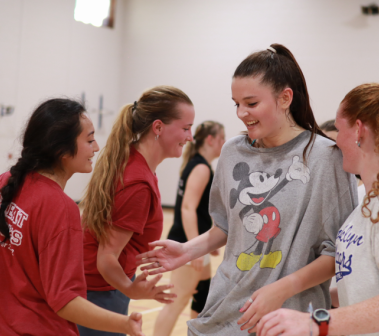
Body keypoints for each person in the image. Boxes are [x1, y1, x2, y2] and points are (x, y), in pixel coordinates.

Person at [137, 44, 358, 336]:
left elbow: (336, 254)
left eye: (251, 104)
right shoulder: (232, 153)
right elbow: (227, 228)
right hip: (224, 315)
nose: (241, 113)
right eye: (236, 104)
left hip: (287, 320)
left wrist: (282, 289)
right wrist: (187, 251)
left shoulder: (325, 157)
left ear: (285, 98)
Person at [256, 83, 379, 336]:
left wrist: (314, 323)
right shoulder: (367, 200)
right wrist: (296, 300)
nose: (334, 141)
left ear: (359, 132)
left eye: (339, 130)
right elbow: (363, 289)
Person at [0, 99, 144, 336]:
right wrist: (124, 324)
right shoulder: (60, 208)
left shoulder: (2, 183)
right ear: (62, 151)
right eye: (89, 140)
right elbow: (65, 301)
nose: (96, 147)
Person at [79, 86, 194, 336]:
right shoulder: (137, 183)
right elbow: (106, 258)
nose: (190, 137)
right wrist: (132, 290)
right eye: (185, 128)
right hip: (99, 292)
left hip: (98, 287)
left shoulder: (133, 162)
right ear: (158, 128)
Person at [153, 121, 225, 336]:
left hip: (193, 242)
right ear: (210, 140)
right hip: (186, 243)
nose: (223, 143)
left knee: (203, 293)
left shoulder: (197, 164)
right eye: (221, 139)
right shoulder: (201, 167)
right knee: (177, 301)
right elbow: (187, 208)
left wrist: (206, 243)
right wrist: (193, 248)